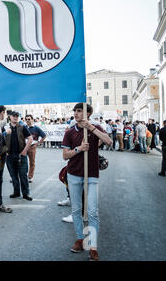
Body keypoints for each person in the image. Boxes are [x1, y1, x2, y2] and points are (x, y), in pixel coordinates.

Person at [61, 103, 112, 261]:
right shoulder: (69, 132)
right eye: (75, 111)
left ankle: (93, 247)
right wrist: (79, 149)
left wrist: (90, 128)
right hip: (74, 174)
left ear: (88, 113)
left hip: (91, 174)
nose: (76, 113)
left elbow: (108, 141)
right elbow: (65, 155)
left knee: (92, 212)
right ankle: (79, 238)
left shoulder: (94, 128)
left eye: (79, 111)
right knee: (76, 210)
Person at [6, 111, 33, 200]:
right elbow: (0, 140)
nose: (15, 117)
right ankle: (16, 192)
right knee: (13, 176)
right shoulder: (5, 127)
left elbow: (30, 138)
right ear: (10, 117)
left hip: (21, 155)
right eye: (14, 116)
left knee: (23, 175)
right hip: (9, 156)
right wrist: (4, 151)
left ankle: (26, 193)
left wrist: (25, 151)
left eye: (17, 116)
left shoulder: (22, 127)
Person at [25, 114, 46, 183]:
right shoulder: (24, 127)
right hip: (24, 147)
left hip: (32, 147)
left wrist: (38, 143)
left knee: (32, 162)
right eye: (26, 119)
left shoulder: (36, 128)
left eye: (29, 119)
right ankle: (22, 175)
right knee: (22, 162)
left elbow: (44, 136)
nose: (28, 121)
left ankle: (30, 176)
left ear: (32, 119)